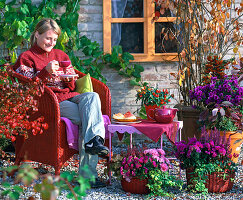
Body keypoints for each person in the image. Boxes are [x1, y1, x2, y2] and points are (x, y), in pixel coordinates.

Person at [13, 18, 109, 188]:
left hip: (69, 96)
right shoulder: (26, 57)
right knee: (89, 119)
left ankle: (93, 142)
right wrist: (45, 72)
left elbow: (71, 86)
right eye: (48, 38)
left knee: (92, 96)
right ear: (37, 34)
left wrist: (70, 78)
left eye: (55, 39)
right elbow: (28, 88)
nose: (52, 42)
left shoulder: (61, 55)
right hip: (49, 102)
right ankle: (88, 175)